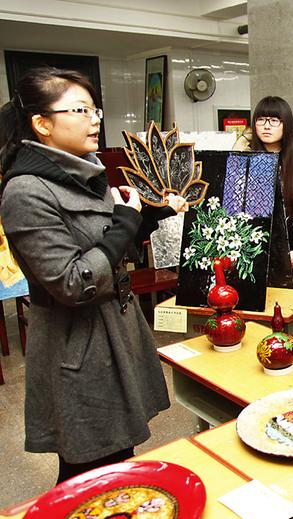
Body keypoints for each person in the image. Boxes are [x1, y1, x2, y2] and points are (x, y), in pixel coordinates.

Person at [0, 67, 187, 483]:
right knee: (88, 468)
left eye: (95, 110)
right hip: (77, 346)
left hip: (115, 331)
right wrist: (124, 221)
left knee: (118, 454)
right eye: (80, 110)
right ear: (42, 123)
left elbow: (103, 241)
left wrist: (146, 216)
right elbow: (71, 281)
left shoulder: (85, 171)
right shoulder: (26, 191)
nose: (94, 119)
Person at [233, 96, 293, 287]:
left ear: (287, 124)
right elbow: (233, 209)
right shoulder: (241, 162)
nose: (266, 126)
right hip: (249, 254)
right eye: (261, 120)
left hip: (291, 252)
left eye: (274, 120)